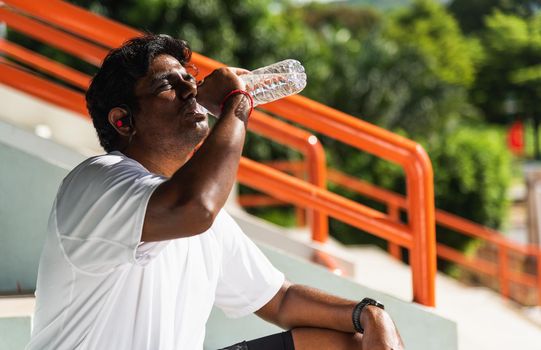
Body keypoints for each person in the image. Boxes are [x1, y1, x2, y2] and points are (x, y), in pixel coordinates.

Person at [26, 34, 404, 350]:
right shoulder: (97, 182)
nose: (190, 88)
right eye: (166, 85)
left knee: (346, 343)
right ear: (123, 121)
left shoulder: (199, 216)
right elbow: (196, 207)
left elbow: (281, 300)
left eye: (188, 77)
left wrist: (368, 313)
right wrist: (236, 104)